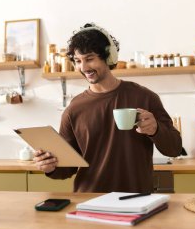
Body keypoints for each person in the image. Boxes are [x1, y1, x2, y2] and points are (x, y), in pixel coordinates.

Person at [33, 23, 182, 193]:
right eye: (78, 61)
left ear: (108, 57)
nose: (83, 68)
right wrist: (50, 166)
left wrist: (155, 129)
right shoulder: (73, 109)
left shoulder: (144, 97)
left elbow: (174, 148)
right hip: (89, 200)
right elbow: (67, 168)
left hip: (136, 199)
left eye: (89, 59)